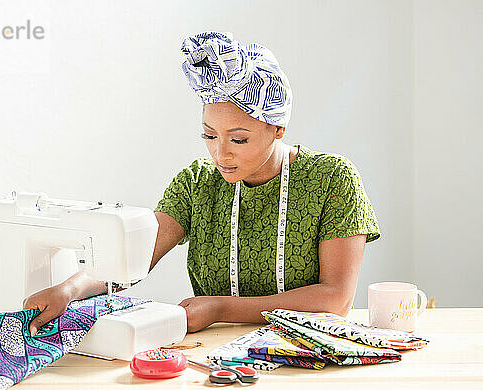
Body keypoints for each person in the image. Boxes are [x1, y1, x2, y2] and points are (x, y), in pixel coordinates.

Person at [23, 31, 381, 335]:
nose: (220, 153)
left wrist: (219, 308)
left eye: (238, 139)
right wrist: (68, 290)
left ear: (278, 128)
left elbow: (336, 299)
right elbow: (131, 259)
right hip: (217, 355)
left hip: (309, 355)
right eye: (209, 135)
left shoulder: (333, 178)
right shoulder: (198, 183)